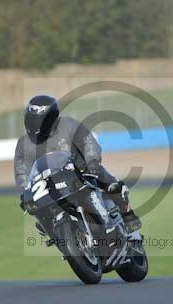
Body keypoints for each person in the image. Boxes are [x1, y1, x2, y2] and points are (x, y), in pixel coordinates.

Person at [14, 95, 142, 232]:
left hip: (81, 172)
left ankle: (127, 213)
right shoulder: (24, 144)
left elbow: (88, 141)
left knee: (111, 184)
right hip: (49, 186)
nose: (37, 126)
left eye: (41, 121)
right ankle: (62, 239)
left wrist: (92, 160)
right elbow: (22, 170)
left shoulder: (69, 125)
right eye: (33, 121)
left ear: (53, 118)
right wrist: (25, 192)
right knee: (39, 216)